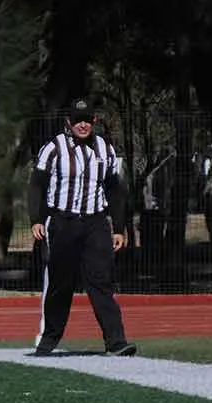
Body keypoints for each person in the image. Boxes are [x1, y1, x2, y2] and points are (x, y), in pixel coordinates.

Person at [26, 98, 137, 357]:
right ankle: (49, 338)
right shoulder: (53, 148)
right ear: (69, 123)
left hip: (94, 222)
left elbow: (114, 189)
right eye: (78, 121)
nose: (83, 125)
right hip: (62, 222)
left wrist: (119, 227)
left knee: (101, 280)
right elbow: (36, 185)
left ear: (94, 121)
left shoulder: (105, 149)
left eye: (87, 120)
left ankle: (116, 341)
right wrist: (36, 219)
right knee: (60, 282)